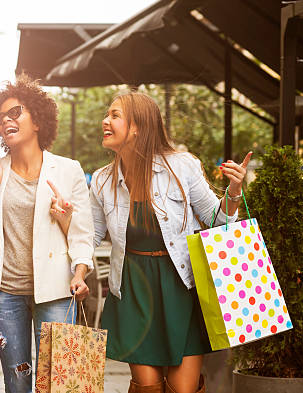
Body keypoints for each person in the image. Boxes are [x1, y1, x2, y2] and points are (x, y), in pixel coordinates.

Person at [89, 92, 251, 393]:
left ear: (137, 127)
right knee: (147, 385)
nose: (105, 121)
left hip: (181, 287)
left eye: (114, 115)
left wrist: (235, 191)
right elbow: (91, 235)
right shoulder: (102, 180)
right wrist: (67, 232)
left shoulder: (182, 166)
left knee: (182, 388)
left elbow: (217, 220)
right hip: (133, 289)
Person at [0, 74, 94, 393]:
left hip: (58, 291)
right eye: (1, 116)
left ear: (38, 120)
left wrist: (80, 272)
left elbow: (82, 234)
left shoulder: (68, 170)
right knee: (17, 381)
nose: (7, 119)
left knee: (60, 383)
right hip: (4, 294)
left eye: (15, 112)